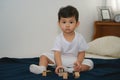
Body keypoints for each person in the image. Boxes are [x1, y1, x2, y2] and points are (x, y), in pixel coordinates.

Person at [29, 5, 94, 75]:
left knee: (89, 62)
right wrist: (59, 65)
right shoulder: (59, 38)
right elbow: (57, 53)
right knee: (43, 56)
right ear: (59, 24)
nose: (67, 25)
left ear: (77, 24)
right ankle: (42, 68)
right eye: (64, 22)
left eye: (71, 22)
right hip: (60, 59)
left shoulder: (80, 37)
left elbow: (81, 53)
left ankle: (73, 69)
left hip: (74, 60)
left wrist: (79, 62)